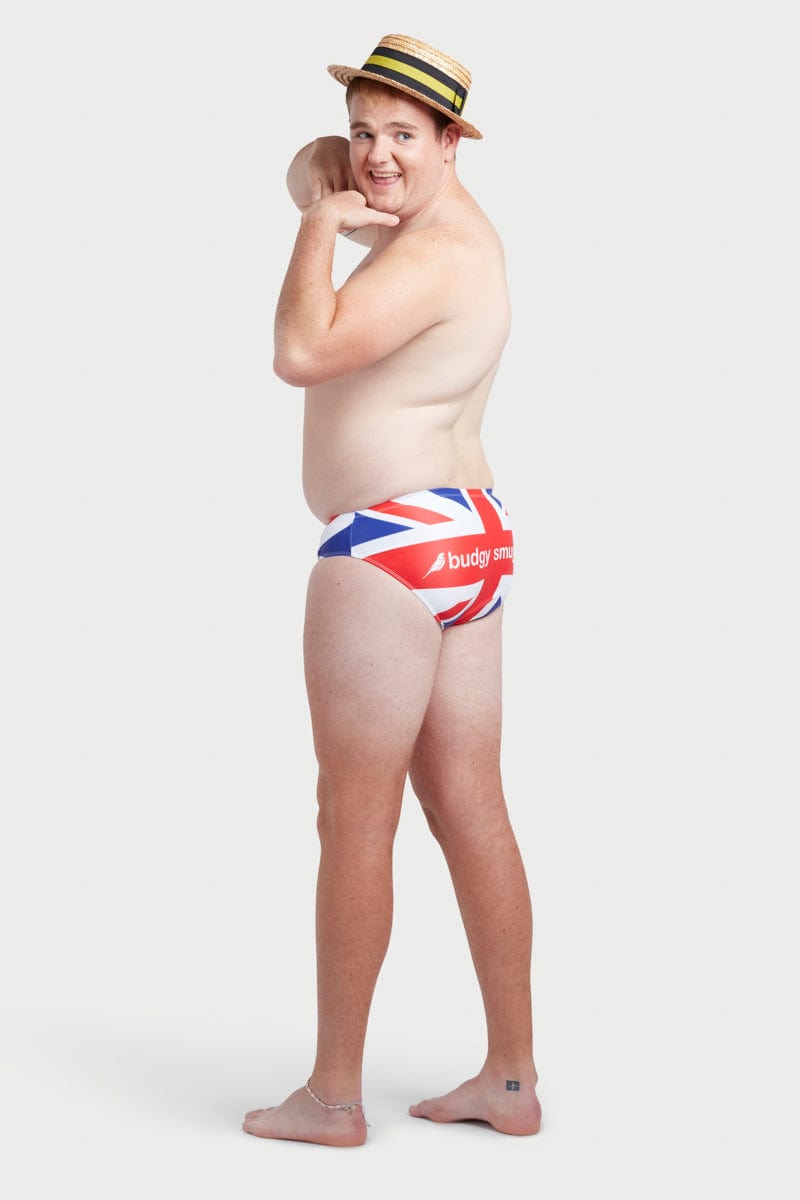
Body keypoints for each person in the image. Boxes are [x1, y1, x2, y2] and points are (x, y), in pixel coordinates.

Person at [243, 33, 541, 1147]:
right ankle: (509, 1082)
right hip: (467, 537)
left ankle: (331, 1097)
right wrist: (335, 173)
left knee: (354, 818)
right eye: (364, 132)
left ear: (454, 141)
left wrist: (320, 227)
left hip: (389, 550)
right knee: (471, 806)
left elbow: (301, 351)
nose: (377, 156)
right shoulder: (442, 223)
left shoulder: (427, 255)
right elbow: (307, 163)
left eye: (403, 136)